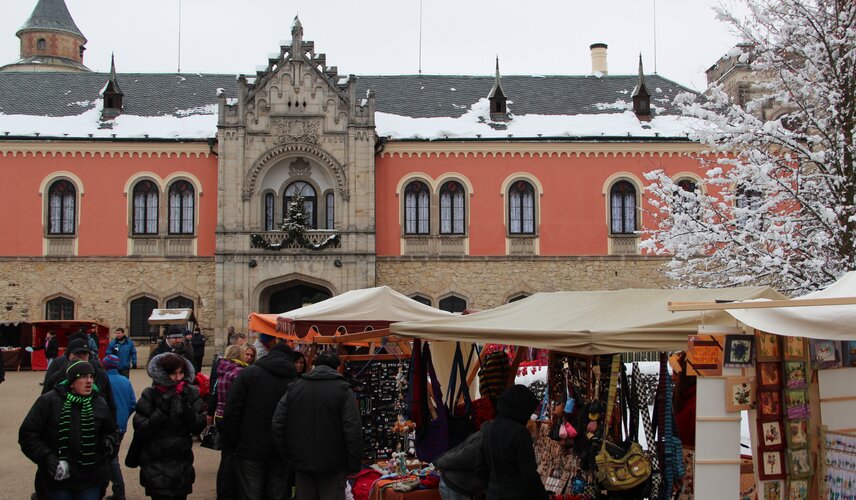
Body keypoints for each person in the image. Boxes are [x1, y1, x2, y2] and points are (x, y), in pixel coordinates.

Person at [19, 360, 119, 500]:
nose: (89, 381)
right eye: (83, 377)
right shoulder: (49, 401)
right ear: (71, 382)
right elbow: (28, 435)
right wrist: (47, 457)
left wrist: (109, 441)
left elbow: (111, 431)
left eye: (91, 376)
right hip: (58, 478)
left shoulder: (99, 402)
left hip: (90, 477)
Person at [272, 352, 362, 500]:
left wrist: (288, 454)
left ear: (314, 366)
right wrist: (353, 464)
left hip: (302, 462)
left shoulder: (295, 387)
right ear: (337, 368)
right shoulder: (343, 390)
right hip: (333, 465)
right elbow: (352, 430)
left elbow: (277, 423)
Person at [222, 343, 297, 500]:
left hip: (250, 447)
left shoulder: (249, 373)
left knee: (251, 493)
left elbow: (232, 410)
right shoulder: (295, 381)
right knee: (277, 493)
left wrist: (232, 443)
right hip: (280, 450)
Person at [132, 352, 205, 500]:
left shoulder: (190, 393)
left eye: (181, 373)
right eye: (173, 373)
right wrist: (162, 410)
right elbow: (141, 428)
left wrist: (185, 409)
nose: (178, 378)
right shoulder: (150, 395)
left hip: (181, 464)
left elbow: (199, 426)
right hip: (156, 463)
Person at [482, 384, 549, 500]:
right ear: (521, 408)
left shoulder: (489, 428)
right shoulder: (519, 433)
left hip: (493, 493)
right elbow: (529, 475)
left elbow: (483, 465)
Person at [211, 344, 252, 500]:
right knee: (233, 458)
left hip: (220, 415)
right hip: (232, 416)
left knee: (225, 455)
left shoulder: (222, 369)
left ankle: (222, 489)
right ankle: (229, 492)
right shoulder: (238, 372)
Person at [101, 355, 136, 500]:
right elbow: (133, 404)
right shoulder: (125, 381)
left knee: (109, 459)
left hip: (107, 426)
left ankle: (118, 491)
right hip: (120, 426)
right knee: (110, 457)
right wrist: (124, 418)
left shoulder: (103, 381)